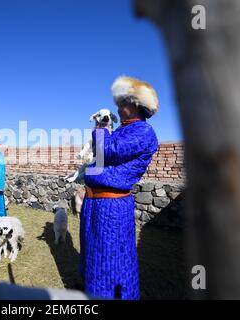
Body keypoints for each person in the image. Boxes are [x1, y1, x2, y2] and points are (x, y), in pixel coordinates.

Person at [80, 76, 159, 299]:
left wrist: (102, 127)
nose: (118, 106)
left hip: (112, 206)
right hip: (96, 202)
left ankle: (113, 295)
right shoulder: (122, 131)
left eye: (124, 101)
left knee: (111, 257)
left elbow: (109, 152)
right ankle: (92, 292)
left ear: (137, 105)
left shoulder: (143, 131)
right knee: (94, 253)